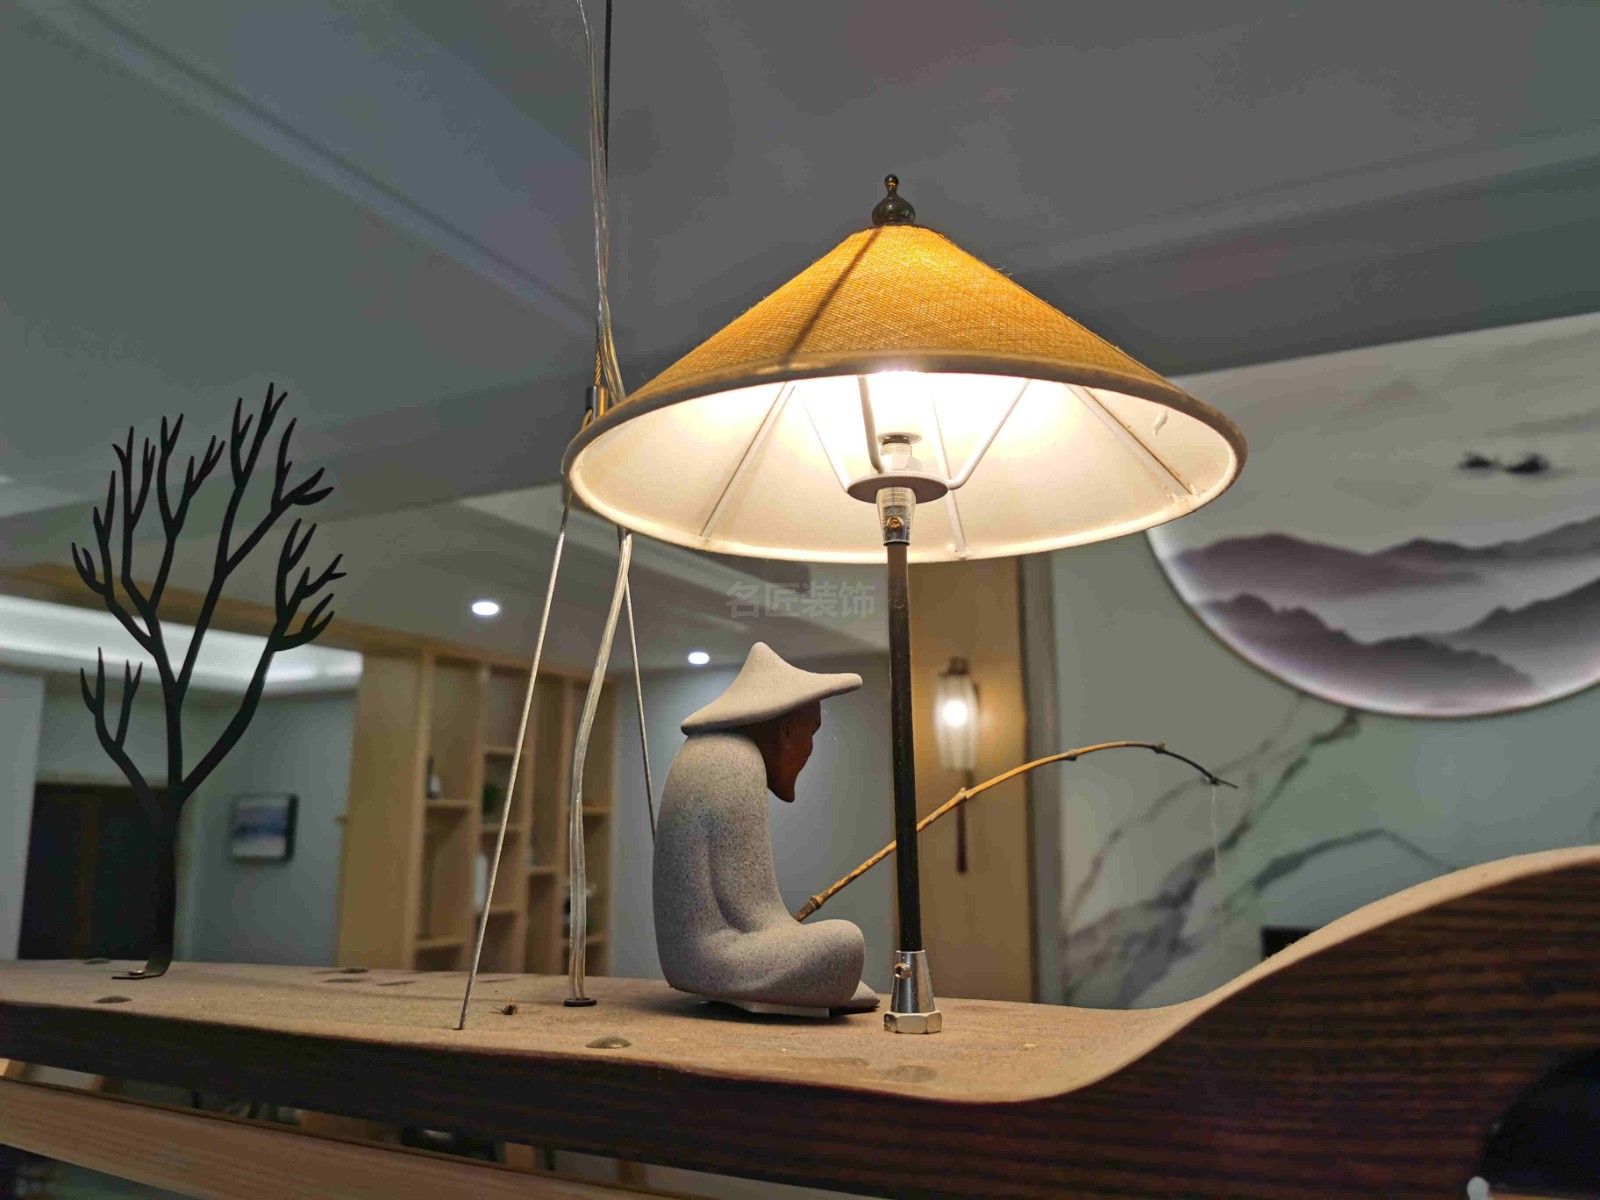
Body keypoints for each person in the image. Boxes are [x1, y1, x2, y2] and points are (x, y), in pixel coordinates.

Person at [654, 642, 879, 1015]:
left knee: (837, 948)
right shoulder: (733, 760)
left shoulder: (711, 752)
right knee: (846, 942)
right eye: (812, 732)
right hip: (712, 958)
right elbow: (752, 912)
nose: (810, 748)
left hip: (697, 956)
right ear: (786, 732)